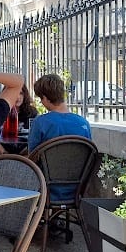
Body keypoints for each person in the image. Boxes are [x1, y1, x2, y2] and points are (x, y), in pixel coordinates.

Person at [28, 73, 92, 201]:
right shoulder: (83, 123)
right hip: (76, 185)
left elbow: (32, 158)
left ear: (45, 98)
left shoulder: (41, 122)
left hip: (46, 185)